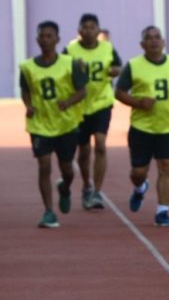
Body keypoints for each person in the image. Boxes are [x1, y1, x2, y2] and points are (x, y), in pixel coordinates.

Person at [115, 26, 169, 227]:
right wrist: (138, 103)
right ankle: (140, 188)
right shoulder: (133, 66)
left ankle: (163, 211)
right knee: (138, 172)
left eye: (157, 37)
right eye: (148, 39)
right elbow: (119, 92)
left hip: (168, 125)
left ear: (164, 42)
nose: (153, 41)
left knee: (167, 167)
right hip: (142, 127)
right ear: (142, 44)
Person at [20, 21, 87, 228]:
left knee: (67, 168)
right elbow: (25, 90)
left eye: (50, 36)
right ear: (37, 39)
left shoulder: (70, 63)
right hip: (40, 124)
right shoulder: (28, 67)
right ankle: (49, 211)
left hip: (65, 124)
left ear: (57, 39)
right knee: (44, 165)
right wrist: (29, 105)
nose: (45, 40)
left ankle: (65, 188)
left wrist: (68, 102)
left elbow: (82, 91)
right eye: (42, 36)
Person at [63, 13, 122, 209]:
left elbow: (117, 66)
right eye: (85, 27)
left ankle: (97, 191)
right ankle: (86, 185)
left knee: (101, 144)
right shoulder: (70, 50)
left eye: (92, 27)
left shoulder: (108, 48)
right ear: (79, 31)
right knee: (84, 149)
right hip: (79, 105)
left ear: (98, 30)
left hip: (101, 102)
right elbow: (59, 72)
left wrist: (115, 71)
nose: (89, 31)